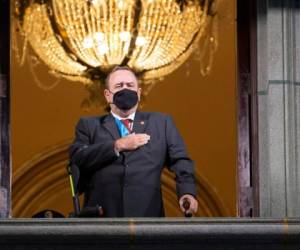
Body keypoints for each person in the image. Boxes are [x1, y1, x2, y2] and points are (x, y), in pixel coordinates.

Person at [69, 66, 198, 217]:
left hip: (147, 218)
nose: (125, 89)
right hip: (103, 219)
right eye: (119, 86)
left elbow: (181, 161)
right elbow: (77, 158)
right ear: (107, 95)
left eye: (130, 85)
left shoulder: (161, 123)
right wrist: (117, 145)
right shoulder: (89, 125)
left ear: (139, 92)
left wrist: (187, 193)